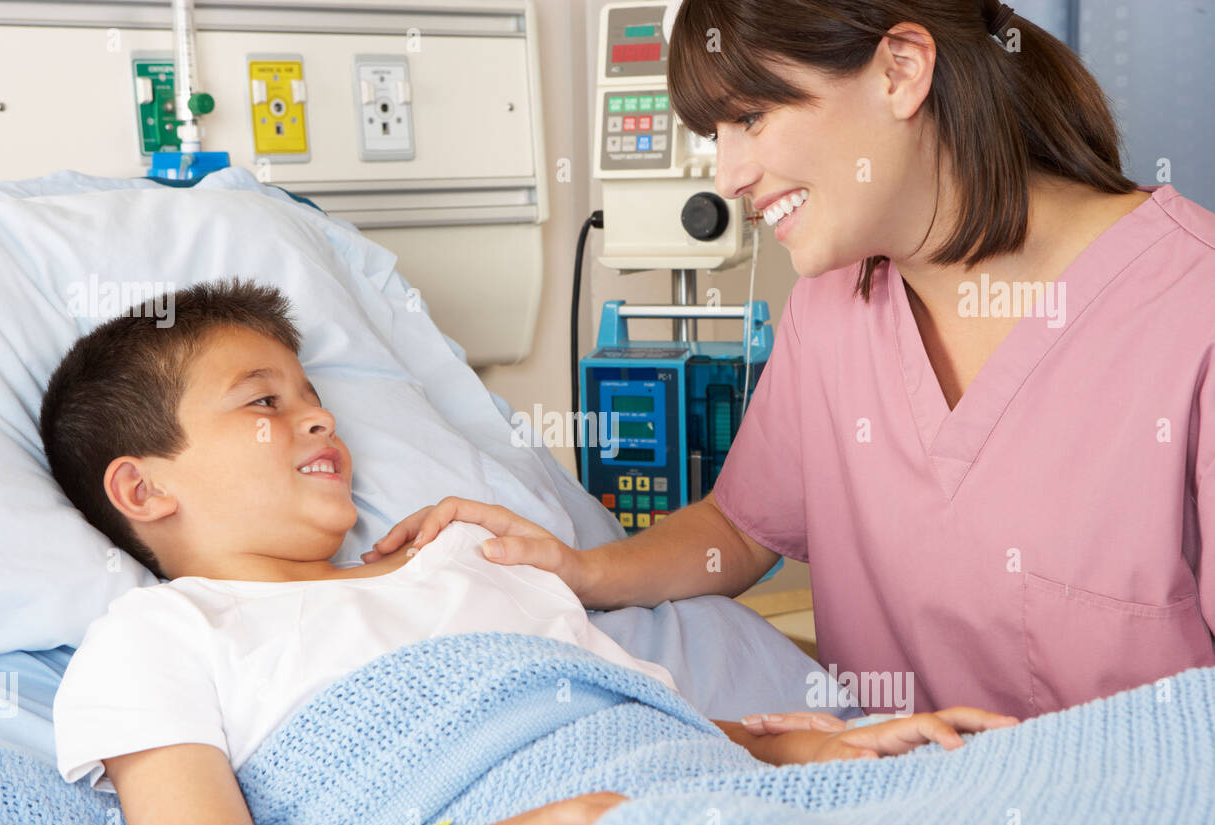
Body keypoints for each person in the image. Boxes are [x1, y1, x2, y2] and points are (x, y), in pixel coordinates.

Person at [366, 0, 1215, 724]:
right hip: (889, 818)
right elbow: (741, 527)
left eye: (751, 118)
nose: (730, 174)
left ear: (901, 70)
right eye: (714, 134)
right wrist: (584, 569)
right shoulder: (837, 304)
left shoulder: (1190, 315)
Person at [39, 277, 1015, 825]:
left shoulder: (475, 561)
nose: (318, 416)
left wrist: (829, 749)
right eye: (262, 400)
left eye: (314, 395)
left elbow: (626, 723)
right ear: (142, 487)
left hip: (703, 802)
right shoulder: (158, 636)